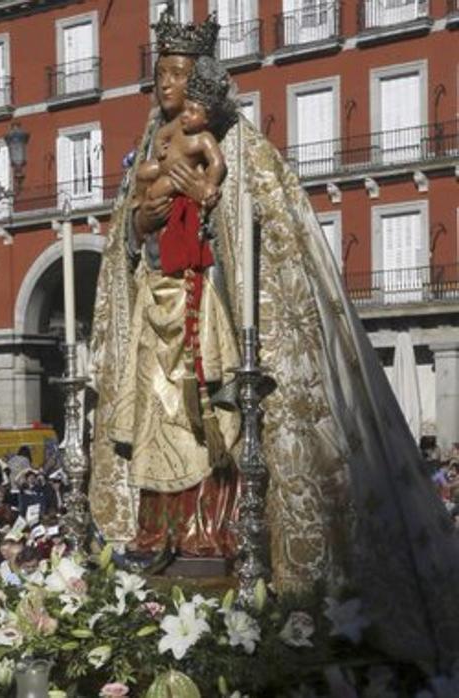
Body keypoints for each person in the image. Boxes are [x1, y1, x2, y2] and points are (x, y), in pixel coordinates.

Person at [87, 8, 459, 668]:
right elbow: (130, 229)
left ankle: (223, 533)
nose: (168, 85)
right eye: (161, 73)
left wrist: (208, 203)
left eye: (179, 73)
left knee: (223, 423)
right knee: (161, 422)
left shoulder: (241, 147)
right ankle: (167, 535)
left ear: (200, 84)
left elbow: (257, 220)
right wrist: (139, 220)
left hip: (219, 309)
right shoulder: (147, 149)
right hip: (158, 310)